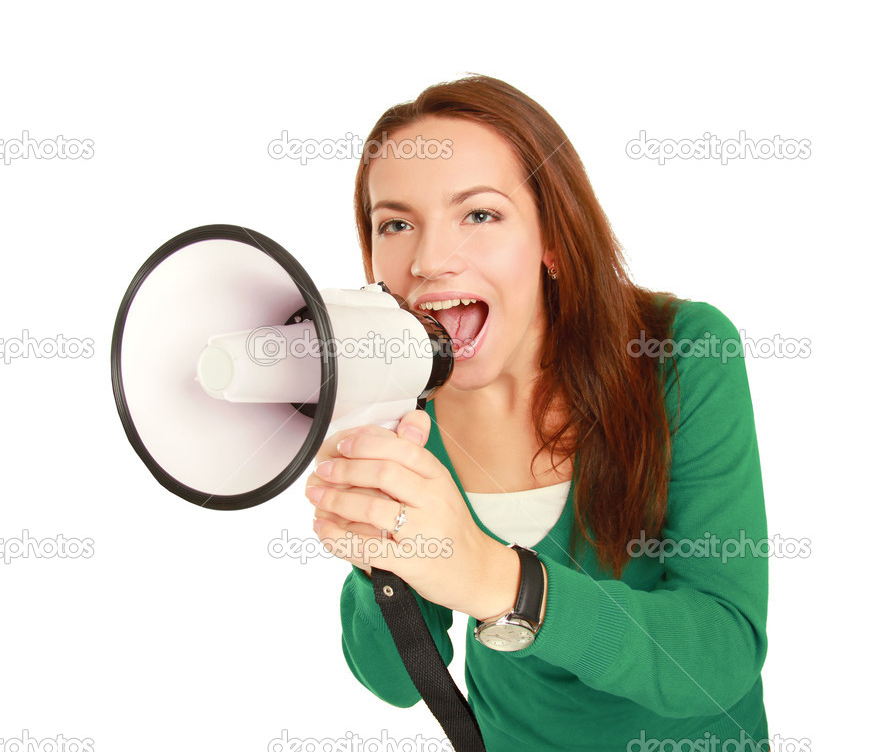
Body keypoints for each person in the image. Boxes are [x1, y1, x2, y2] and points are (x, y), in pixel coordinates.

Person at [304, 75, 769, 751]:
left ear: (552, 239)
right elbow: (396, 681)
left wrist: (501, 580)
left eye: (480, 214)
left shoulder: (683, 352)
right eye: (396, 223)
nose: (430, 260)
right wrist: (375, 540)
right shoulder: (403, 412)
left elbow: (722, 652)